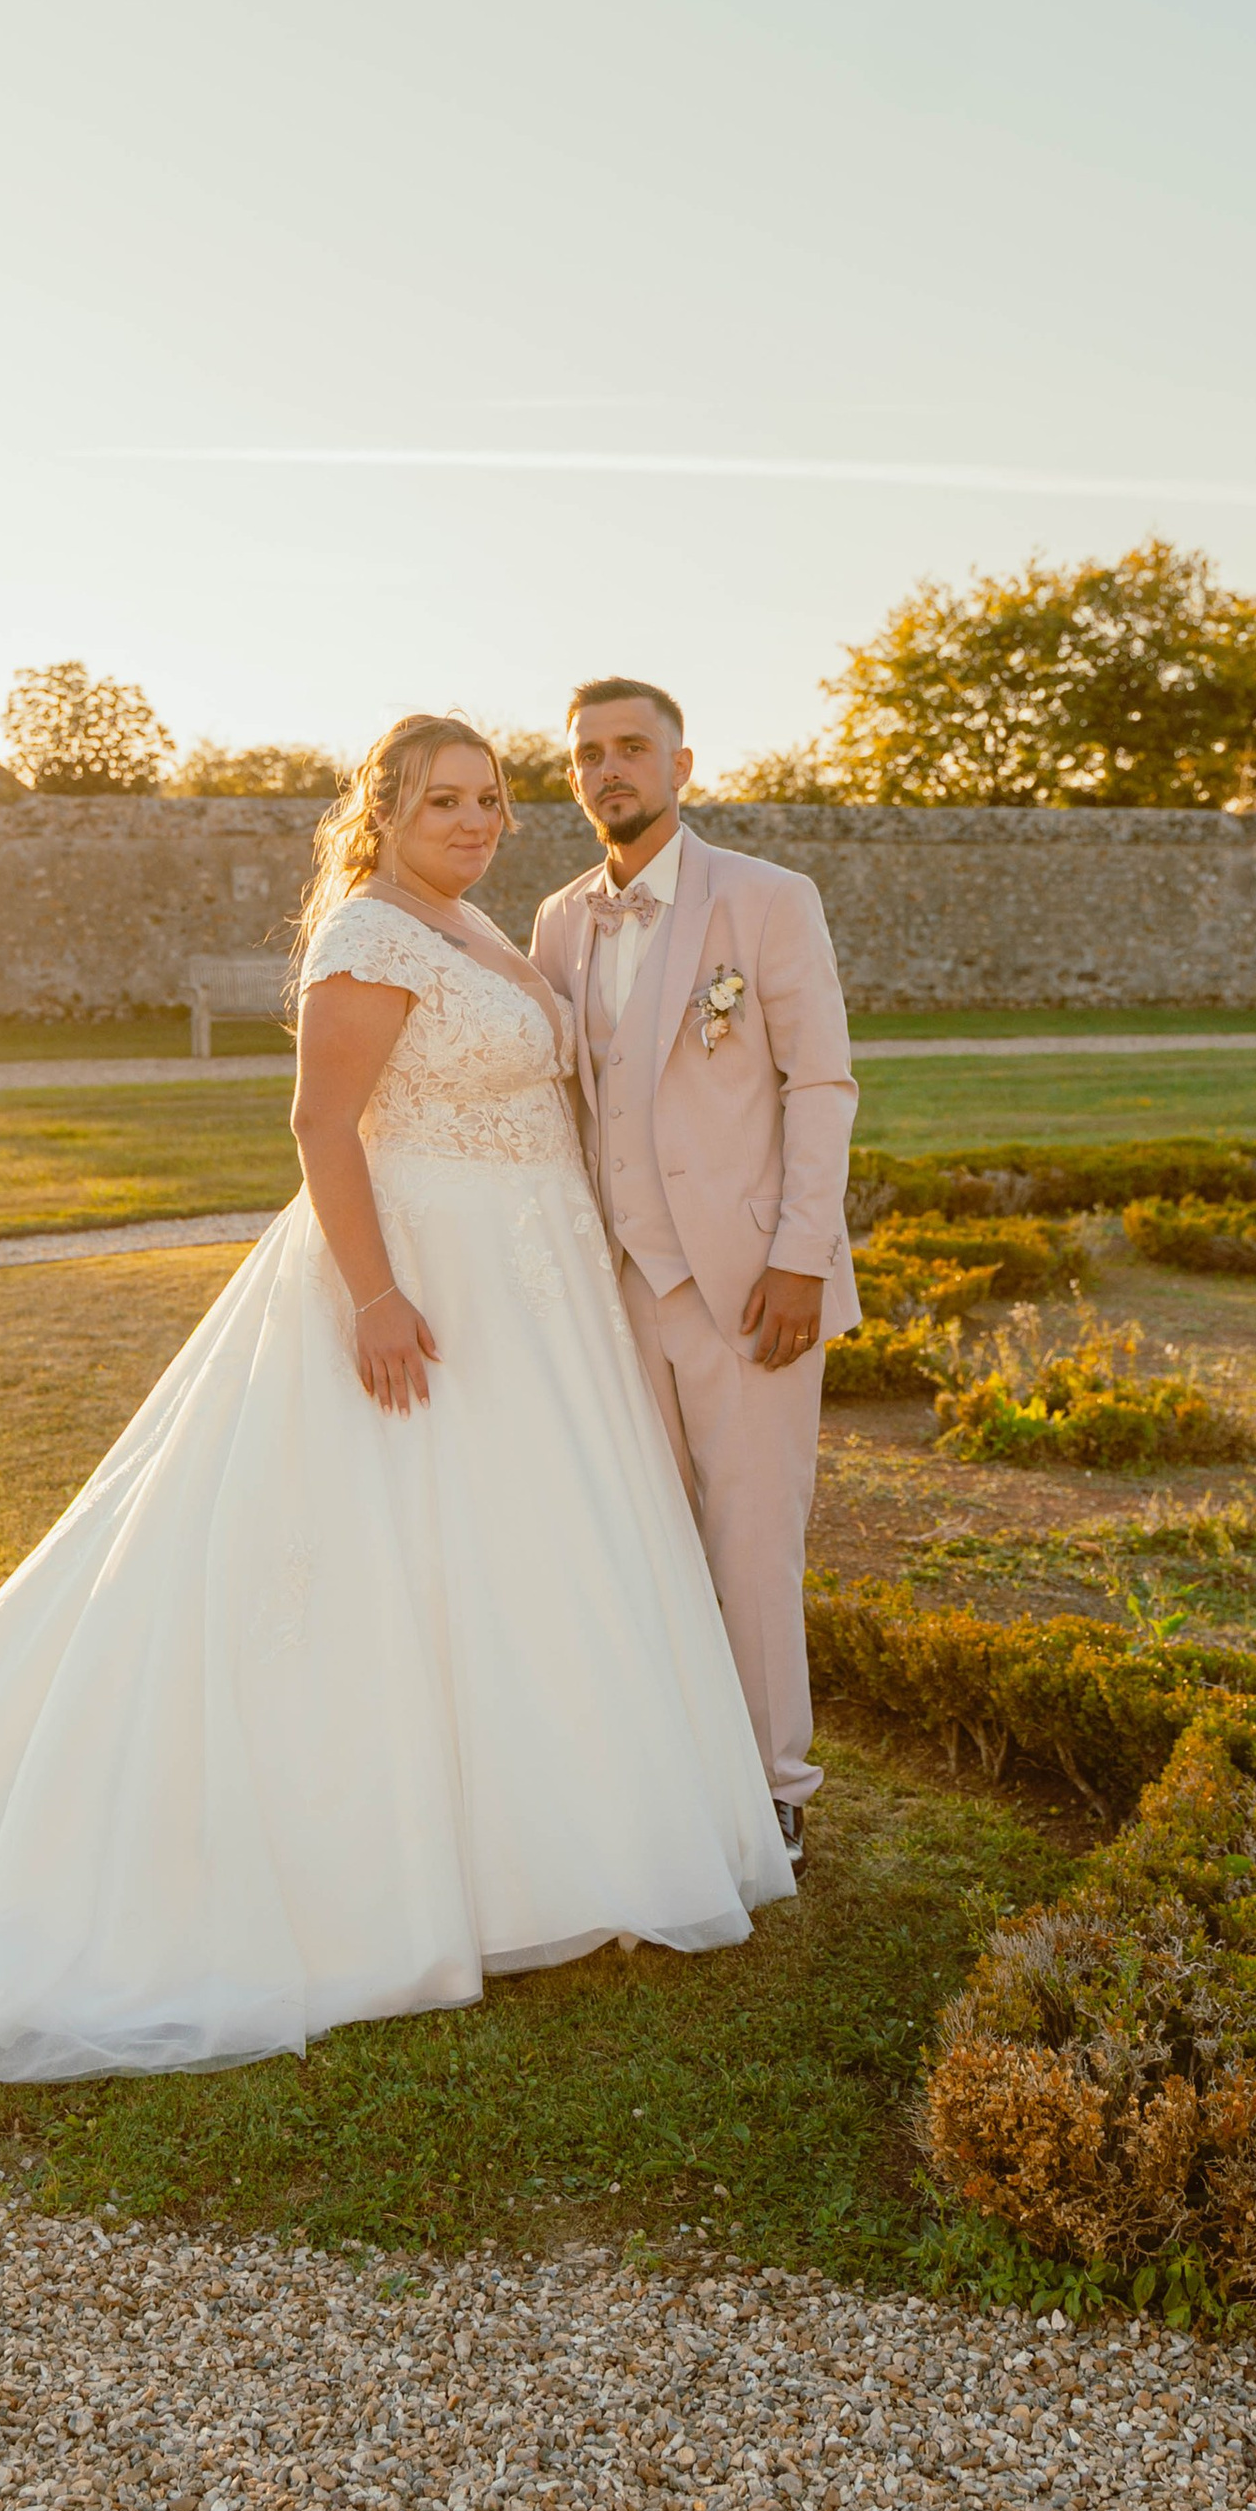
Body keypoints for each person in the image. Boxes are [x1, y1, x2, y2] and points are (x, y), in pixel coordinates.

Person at [0, 715, 790, 2080]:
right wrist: (377, 1296)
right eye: (444, 799)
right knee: (384, 1567)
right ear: (384, 811)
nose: (475, 819)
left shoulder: (482, 930)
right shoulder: (371, 932)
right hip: (426, 1283)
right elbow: (320, 1126)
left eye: (492, 798)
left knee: (524, 1566)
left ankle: (547, 1850)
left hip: (536, 1298)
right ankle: (385, 1868)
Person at [530, 681, 858, 1866]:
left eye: (631, 749)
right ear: (572, 779)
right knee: (646, 1534)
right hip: (614, 1285)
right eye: (587, 756)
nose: (609, 770)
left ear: (681, 762)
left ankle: (774, 1789)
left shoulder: (768, 899)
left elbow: (819, 1083)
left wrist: (799, 1259)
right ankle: (672, 1773)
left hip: (748, 1283)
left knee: (753, 1537)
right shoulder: (560, 919)